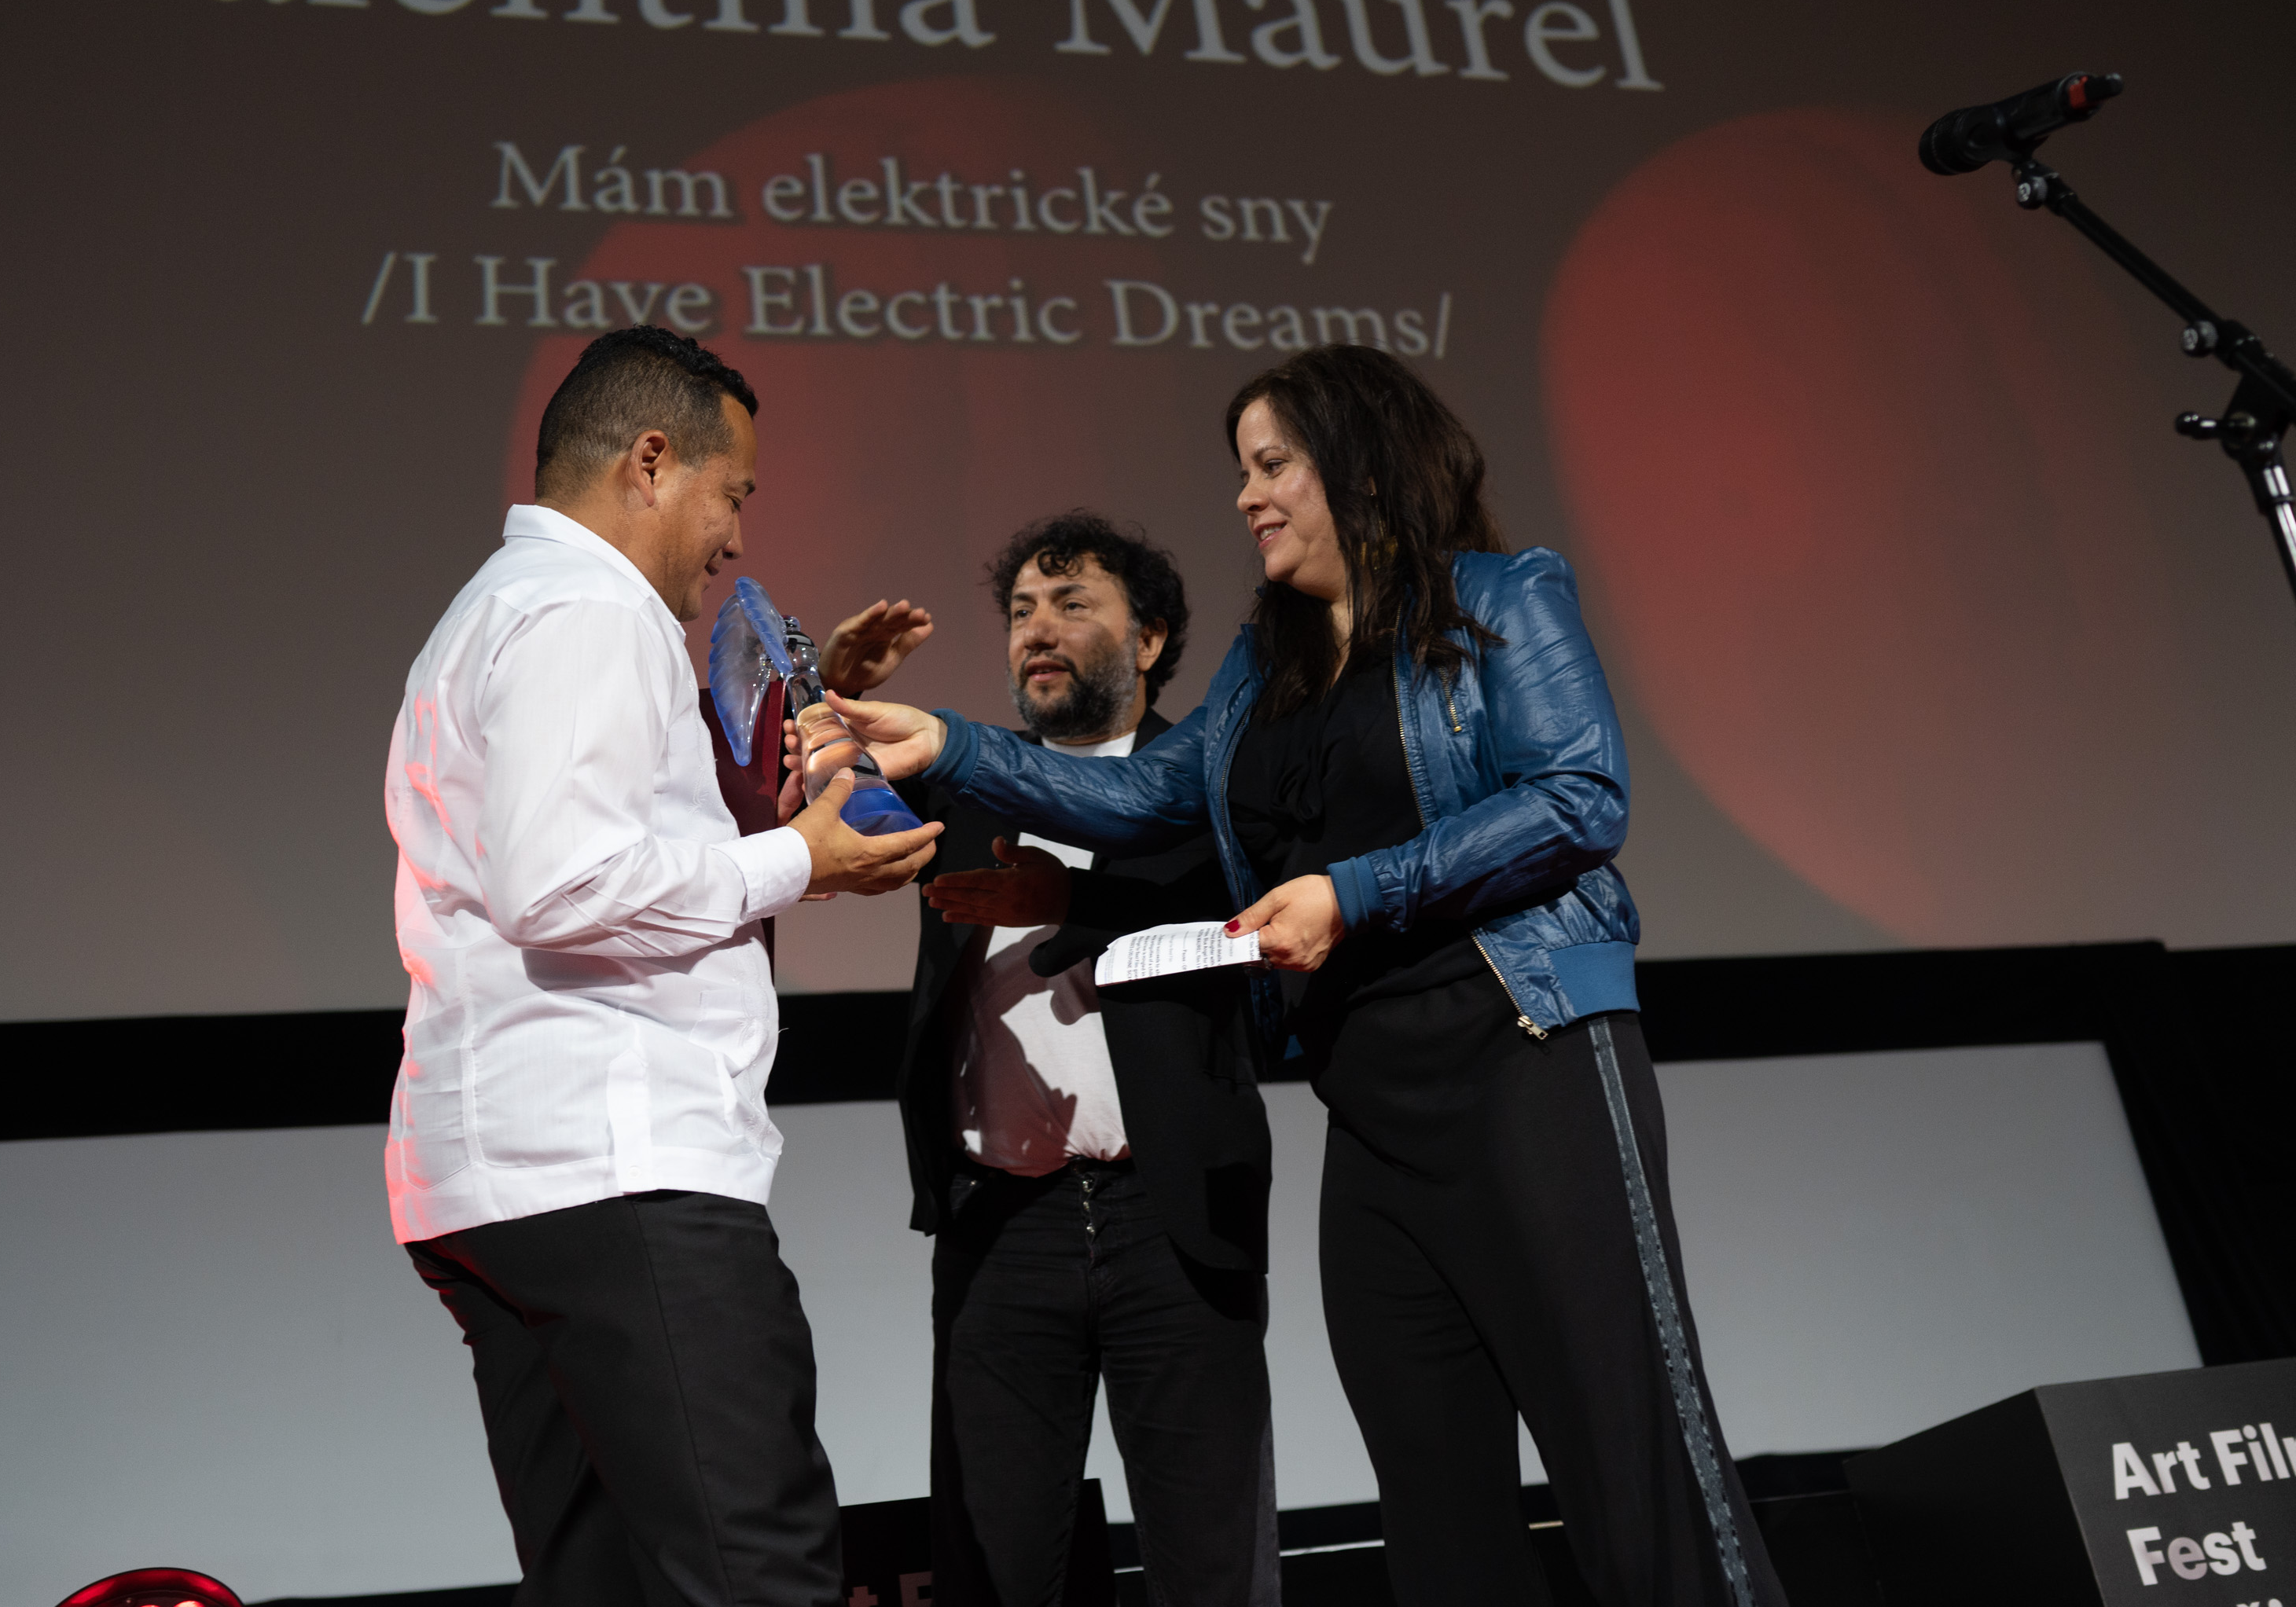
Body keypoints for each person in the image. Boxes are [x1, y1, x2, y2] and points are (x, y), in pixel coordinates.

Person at [823, 345, 1788, 1607]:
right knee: (1434, 1492)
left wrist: (1357, 891)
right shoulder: (1261, 667)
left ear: (1360, 462)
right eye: (1244, 470)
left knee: (1631, 1452)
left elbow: (1579, 797)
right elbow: (1140, 795)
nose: (1246, 496)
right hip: (1370, 1100)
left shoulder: (1502, 597)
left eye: (1272, 464)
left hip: (1529, 1049)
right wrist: (950, 742)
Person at [382, 325, 942, 1607]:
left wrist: (779, 827)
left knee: (603, 1584)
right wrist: (799, 857)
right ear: (649, 461)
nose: (736, 538)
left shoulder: (493, 609)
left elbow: (578, 859)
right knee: (759, 1576)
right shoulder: (592, 609)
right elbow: (558, 880)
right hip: (617, 1166)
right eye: (731, 494)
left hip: (506, 1180)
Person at [826, 513, 1278, 1607]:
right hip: (1002, 1226)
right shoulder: (964, 779)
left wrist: (1075, 902)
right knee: (995, 1571)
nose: (1038, 629)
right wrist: (829, 699)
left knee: (1212, 1568)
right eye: (1023, 610)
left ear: (1150, 639)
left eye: (1073, 605)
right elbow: (825, 810)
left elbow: (1238, 932)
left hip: (1172, 1216)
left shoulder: (1205, 780)